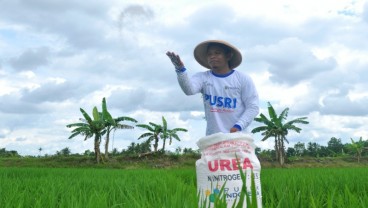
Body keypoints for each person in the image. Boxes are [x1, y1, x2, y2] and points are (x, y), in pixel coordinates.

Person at [166, 40, 259, 136]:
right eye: (209, 54)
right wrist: (180, 70)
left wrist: (238, 126)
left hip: (238, 138)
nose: (212, 56)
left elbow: (253, 107)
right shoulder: (203, 77)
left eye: (217, 53)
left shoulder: (242, 79)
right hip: (213, 138)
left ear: (228, 56)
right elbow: (189, 90)